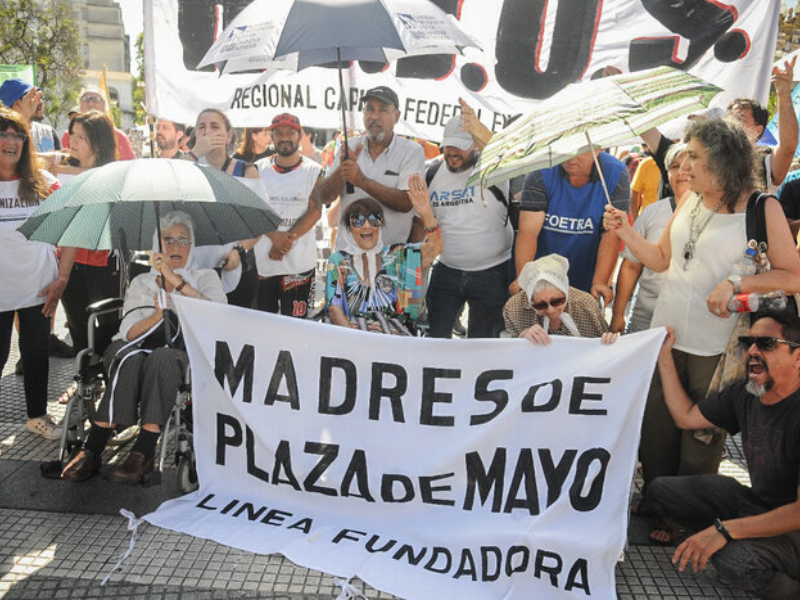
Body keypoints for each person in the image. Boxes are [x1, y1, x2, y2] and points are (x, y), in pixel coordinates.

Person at [603, 118, 800, 526]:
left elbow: (793, 276)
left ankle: (684, 518)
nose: (684, 166)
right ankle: (657, 498)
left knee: (702, 437)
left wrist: (736, 283)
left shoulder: (763, 207)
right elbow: (661, 260)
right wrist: (626, 232)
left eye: (693, 157)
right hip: (666, 337)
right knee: (656, 426)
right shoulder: (690, 199)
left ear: (722, 162)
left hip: (719, 347)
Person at [61, 211, 227, 484]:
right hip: (132, 345)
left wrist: (177, 283)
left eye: (183, 240)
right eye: (168, 240)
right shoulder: (142, 282)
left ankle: (143, 451)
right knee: (131, 358)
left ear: (192, 245)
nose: (175, 246)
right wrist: (157, 315)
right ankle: (93, 449)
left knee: (162, 358)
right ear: (156, 246)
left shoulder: (206, 277)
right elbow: (128, 332)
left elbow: (219, 315)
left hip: (180, 351)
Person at [648, 312, 800, 598]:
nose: (752, 352)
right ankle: (737, 539)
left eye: (766, 343)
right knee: (661, 491)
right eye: (747, 342)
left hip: (794, 527)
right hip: (759, 506)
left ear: (798, 357)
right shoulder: (745, 394)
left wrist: (723, 531)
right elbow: (685, 417)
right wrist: (664, 357)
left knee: (735, 561)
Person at [0, 107, 75, 439]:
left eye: (18, 135)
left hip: (39, 290)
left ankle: (37, 416)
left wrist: (62, 279)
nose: (11, 141)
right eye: (3, 134)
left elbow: (71, 230)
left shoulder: (45, 183)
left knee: (36, 355)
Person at [642, 58, 798, 195]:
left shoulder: (762, 161)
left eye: (740, 118)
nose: (732, 122)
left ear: (758, 130)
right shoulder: (703, 156)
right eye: (729, 117)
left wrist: (783, 93)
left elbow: (788, 147)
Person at [425, 114, 513, 339]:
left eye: (460, 146)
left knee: (482, 344)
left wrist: (478, 128)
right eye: (448, 146)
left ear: (474, 145)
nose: (453, 152)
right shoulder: (431, 173)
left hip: (491, 272)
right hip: (446, 270)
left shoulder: (493, 169)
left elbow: (504, 153)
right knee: (435, 339)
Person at [325, 175, 442, 334]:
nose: (367, 226)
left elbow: (435, 248)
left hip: (395, 338)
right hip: (352, 337)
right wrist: (356, 342)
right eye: (358, 220)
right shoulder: (338, 261)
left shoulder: (399, 256)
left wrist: (426, 213)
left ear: (380, 225)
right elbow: (334, 308)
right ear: (348, 228)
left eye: (374, 220)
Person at [514, 146, 629, 304]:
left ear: (597, 148)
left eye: (578, 151)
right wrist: (523, 277)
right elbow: (528, 232)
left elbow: (612, 233)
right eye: (565, 149)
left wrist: (600, 281)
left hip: (587, 268)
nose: (570, 159)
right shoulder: (541, 170)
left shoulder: (617, 173)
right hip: (542, 274)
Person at [317, 86, 425, 248]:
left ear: (396, 116)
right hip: (347, 256)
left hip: (390, 257)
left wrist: (362, 181)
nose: (374, 116)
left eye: (383, 110)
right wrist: (341, 171)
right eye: (369, 109)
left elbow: (406, 203)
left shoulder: (412, 151)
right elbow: (323, 197)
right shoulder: (349, 147)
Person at [185, 108, 261, 307]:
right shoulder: (187, 169)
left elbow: (259, 223)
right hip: (196, 269)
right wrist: (195, 153)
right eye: (201, 127)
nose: (207, 131)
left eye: (214, 126)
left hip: (235, 268)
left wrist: (239, 252)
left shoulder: (246, 171)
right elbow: (167, 184)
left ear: (228, 136)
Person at [59, 110, 121, 352]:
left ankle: (109, 370)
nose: (72, 142)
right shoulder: (62, 168)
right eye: (72, 134)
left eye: (80, 137)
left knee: (107, 326)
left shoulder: (115, 174)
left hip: (102, 260)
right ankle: (84, 370)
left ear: (98, 142)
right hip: (68, 260)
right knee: (77, 324)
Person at [611, 143, 688, 334]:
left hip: (691, 321)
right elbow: (631, 266)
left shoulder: (717, 215)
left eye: (689, 166)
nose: (681, 173)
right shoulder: (652, 213)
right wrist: (618, 314)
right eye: (675, 167)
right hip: (646, 317)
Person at [254, 113, 323, 318]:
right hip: (263, 263)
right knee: (262, 325)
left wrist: (285, 241)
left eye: (290, 133)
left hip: (299, 264)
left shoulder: (314, 170)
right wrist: (275, 237)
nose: (284, 138)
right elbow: (253, 209)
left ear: (300, 135)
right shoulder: (257, 169)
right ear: (272, 137)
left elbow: (315, 211)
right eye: (279, 133)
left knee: (299, 326)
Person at [503, 253, 616, 344]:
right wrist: (522, 338)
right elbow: (509, 352)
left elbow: (601, 346)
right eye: (540, 305)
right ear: (530, 300)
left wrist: (608, 340)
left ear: (565, 291)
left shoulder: (584, 304)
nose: (550, 310)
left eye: (557, 301)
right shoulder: (515, 308)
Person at [61, 87, 136, 161]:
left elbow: (129, 165)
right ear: (79, 106)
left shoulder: (118, 136)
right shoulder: (69, 135)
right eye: (85, 99)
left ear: (105, 107)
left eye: (96, 100)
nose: (90, 104)